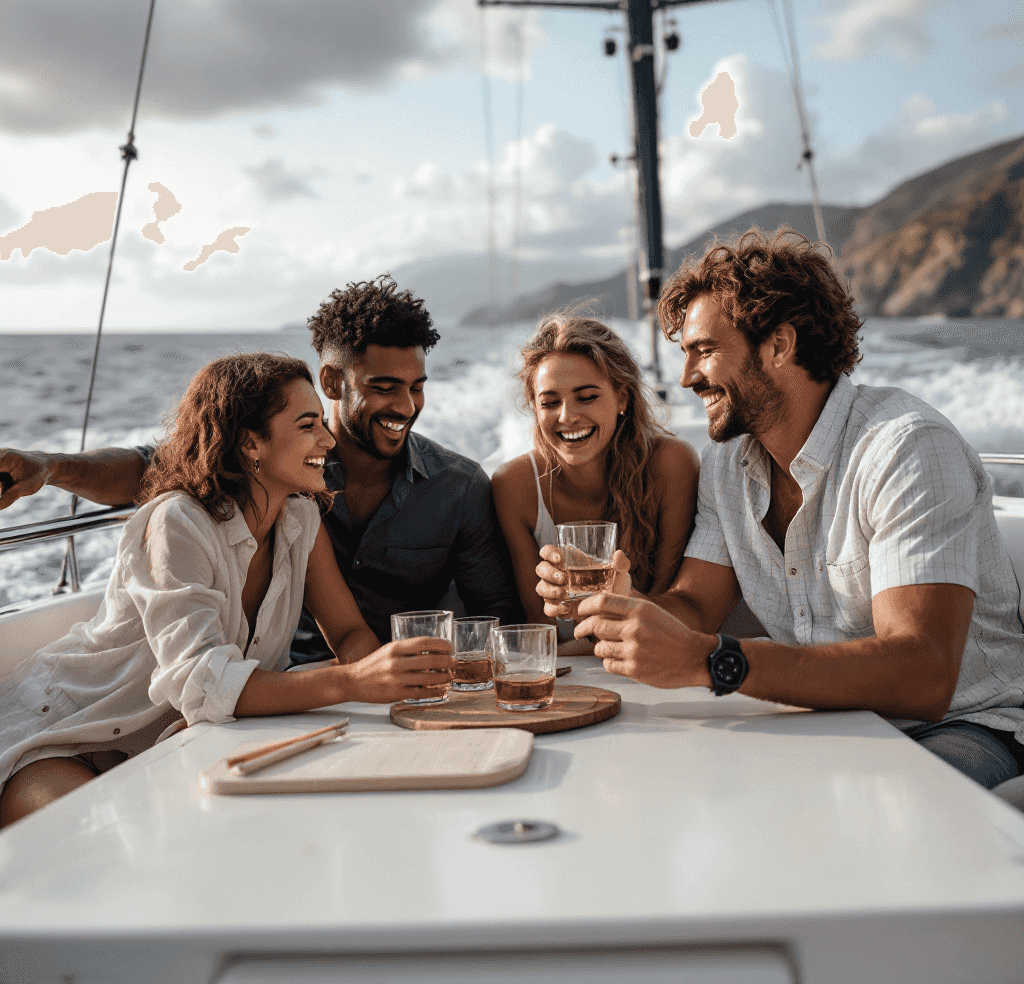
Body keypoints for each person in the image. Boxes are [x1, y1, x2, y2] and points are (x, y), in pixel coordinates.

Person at [536, 228, 1024, 790]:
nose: (688, 377)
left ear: (779, 344)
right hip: (826, 719)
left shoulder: (907, 449)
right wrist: (629, 608)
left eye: (704, 351)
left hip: (960, 725)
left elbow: (921, 673)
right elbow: (696, 603)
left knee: (893, 814)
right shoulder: (727, 465)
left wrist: (712, 662)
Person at [0, 353, 455, 827]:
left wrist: (390, 682)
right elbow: (205, 681)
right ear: (250, 444)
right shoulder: (177, 522)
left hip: (164, 748)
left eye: (323, 421)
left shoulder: (300, 519)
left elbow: (347, 633)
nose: (327, 439)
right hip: (64, 737)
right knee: (97, 847)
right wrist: (354, 681)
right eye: (307, 425)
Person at [0, 275, 520, 663]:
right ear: (333, 382)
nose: (406, 406)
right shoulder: (276, 469)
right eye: (385, 387)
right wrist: (48, 467)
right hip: (270, 687)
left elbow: (497, 620)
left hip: (380, 692)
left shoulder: (459, 487)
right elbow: (148, 468)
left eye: (418, 387)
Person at [491, 315, 698, 652]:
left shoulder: (672, 465)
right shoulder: (515, 486)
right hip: (567, 673)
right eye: (550, 402)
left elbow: (671, 614)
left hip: (653, 662)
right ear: (534, 407)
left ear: (622, 399)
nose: (567, 416)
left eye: (586, 397)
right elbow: (540, 630)